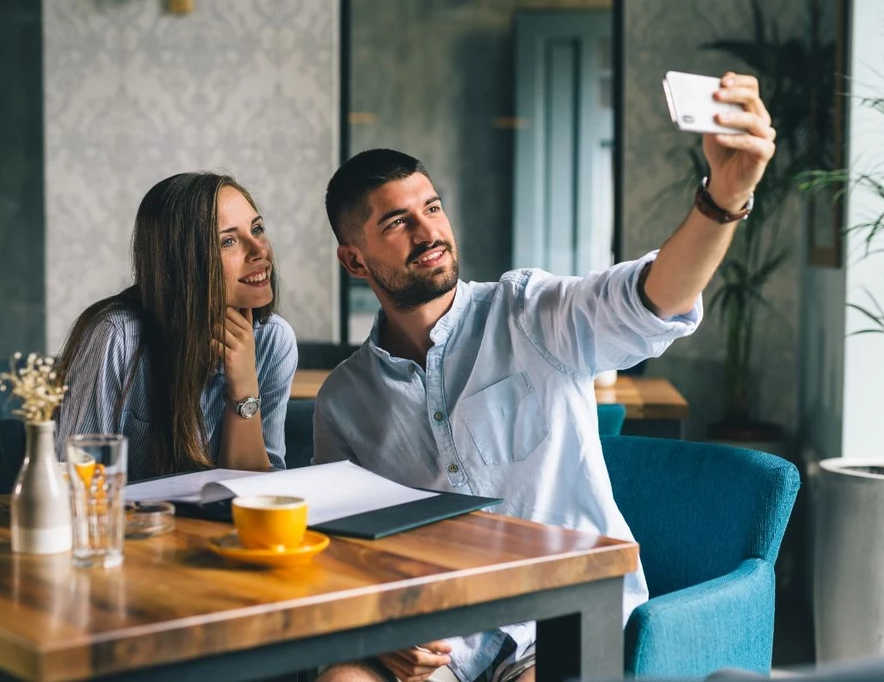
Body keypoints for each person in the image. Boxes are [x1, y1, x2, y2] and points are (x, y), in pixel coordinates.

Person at [314, 72, 776, 682]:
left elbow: (651, 298)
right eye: (396, 223)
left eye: (431, 208)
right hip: (439, 638)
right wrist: (379, 631)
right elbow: (341, 556)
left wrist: (723, 199)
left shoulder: (530, 313)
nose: (429, 233)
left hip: (564, 618)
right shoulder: (344, 401)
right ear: (354, 259)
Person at [55, 171, 297, 481]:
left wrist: (244, 388)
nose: (259, 250)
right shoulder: (118, 337)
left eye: (257, 229)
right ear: (182, 260)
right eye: (228, 241)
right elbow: (76, 479)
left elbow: (261, 492)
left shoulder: (275, 341)